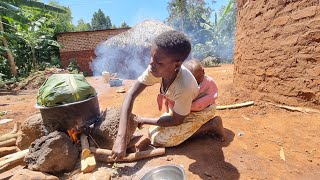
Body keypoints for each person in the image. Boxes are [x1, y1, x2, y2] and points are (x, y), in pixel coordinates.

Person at [111, 30, 225, 160]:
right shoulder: (155, 69)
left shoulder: (184, 85)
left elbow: (177, 120)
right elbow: (131, 94)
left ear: (177, 65)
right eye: (151, 57)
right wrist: (120, 138)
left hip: (200, 110)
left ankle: (212, 125)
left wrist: (144, 120)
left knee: (163, 140)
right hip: (182, 108)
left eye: (158, 62)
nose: (151, 63)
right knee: (152, 132)